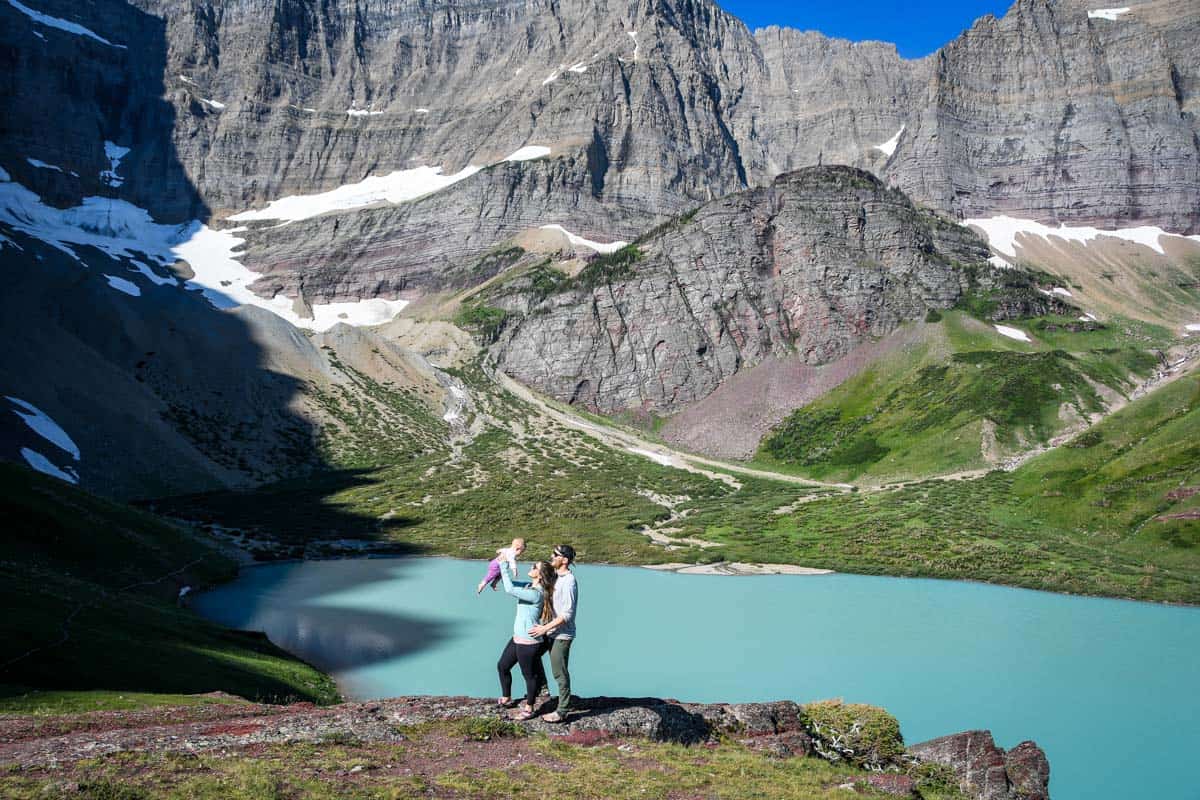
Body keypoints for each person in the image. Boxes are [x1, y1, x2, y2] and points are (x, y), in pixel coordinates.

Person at [496, 559, 557, 720]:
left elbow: (509, 589)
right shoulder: (529, 586)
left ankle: (529, 708)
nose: (531, 567)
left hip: (529, 642)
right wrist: (498, 573)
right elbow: (510, 583)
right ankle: (506, 698)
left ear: (540, 575)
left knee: (529, 676)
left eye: (534, 567)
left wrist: (503, 566)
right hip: (517, 638)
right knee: (502, 666)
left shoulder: (536, 593)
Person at [528, 544, 577, 723]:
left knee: (559, 671)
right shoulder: (555, 577)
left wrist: (543, 628)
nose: (551, 556)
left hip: (561, 635)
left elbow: (567, 614)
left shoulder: (569, 581)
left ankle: (562, 710)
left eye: (555, 554)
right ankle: (543, 690)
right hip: (549, 631)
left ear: (564, 560)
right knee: (530, 655)